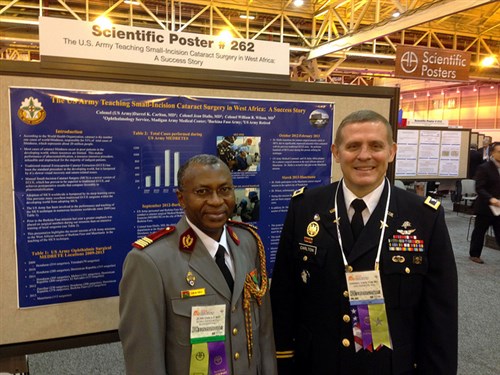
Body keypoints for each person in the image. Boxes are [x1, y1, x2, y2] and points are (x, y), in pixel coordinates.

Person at [270, 110, 458, 375]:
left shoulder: (424, 216)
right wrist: (283, 361)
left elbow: (441, 314)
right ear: (336, 152)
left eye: (376, 146)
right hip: (317, 363)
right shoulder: (304, 207)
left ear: (391, 151)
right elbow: (284, 296)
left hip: (390, 366)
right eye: (353, 146)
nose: (364, 156)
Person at [119, 154, 277, 375]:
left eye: (224, 190)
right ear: (181, 198)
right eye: (202, 192)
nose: (216, 201)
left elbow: (264, 336)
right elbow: (145, 363)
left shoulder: (248, 244)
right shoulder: (151, 262)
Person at [469, 142, 500, 264]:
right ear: (492, 153)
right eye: (499, 151)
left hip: (498, 207)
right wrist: (490, 199)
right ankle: (475, 254)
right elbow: (479, 187)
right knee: (480, 231)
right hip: (485, 207)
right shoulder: (484, 167)